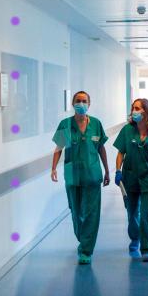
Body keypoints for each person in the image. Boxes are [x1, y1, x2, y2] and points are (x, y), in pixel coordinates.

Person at [51, 91, 110, 264]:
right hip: (72, 176)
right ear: (72, 103)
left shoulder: (96, 124)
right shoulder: (65, 124)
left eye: (84, 101)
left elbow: (101, 148)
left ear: (89, 104)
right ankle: (83, 239)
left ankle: (86, 250)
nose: (81, 103)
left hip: (92, 176)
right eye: (78, 101)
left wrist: (107, 170)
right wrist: (53, 167)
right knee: (76, 211)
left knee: (91, 214)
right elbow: (58, 147)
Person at [113, 98, 148, 262]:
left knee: (147, 214)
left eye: (137, 108)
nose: (134, 111)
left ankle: (146, 248)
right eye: (133, 108)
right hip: (130, 177)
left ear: (146, 111)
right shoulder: (127, 130)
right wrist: (118, 171)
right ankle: (135, 239)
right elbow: (120, 153)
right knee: (132, 214)